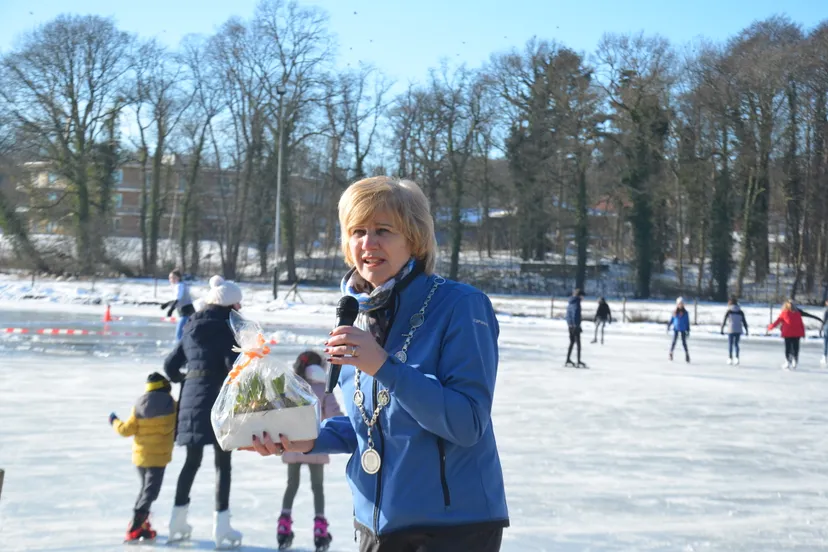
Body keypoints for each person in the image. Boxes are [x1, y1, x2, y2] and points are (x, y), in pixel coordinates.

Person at [249, 176, 509, 552]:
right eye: (357, 231)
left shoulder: (460, 306)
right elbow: (369, 424)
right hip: (377, 523)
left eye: (383, 230)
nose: (368, 244)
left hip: (454, 528)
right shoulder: (356, 314)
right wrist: (309, 437)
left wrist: (385, 366)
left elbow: (468, 423)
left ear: (414, 239)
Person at [163, 275, 244, 548]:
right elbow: (234, 366)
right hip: (219, 402)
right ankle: (221, 527)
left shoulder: (191, 325)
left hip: (191, 399)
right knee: (223, 464)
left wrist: (184, 378)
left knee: (191, 462)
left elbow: (171, 365)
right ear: (231, 305)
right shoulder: (228, 328)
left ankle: (177, 521)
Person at [277, 351, 344, 551]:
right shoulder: (323, 390)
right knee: (317, 487)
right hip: (317, 444)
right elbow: (335, 416)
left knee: (292, 484)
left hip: (292, 445)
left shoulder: (291, 388)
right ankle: (320, 529)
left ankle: (284, 524)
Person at [109, 372, 177, 543]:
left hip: (141, 458)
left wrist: (114, 420)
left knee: (145, 491)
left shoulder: (139, 404)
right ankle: (135, 526)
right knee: (150, 493)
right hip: (158, 458)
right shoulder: (171, 404)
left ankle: (141, 525)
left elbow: (125, 430)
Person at [767, 300, 823, 370]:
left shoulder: (784, 313)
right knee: (795, 347)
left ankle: (788, 361)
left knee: (788, 348)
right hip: (797, 334)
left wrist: (770, 327)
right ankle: (794, 360)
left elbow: (777, 322)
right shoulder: (797, 313)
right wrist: (803, 333)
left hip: (787, 333)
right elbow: (801, 324)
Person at [161, 269, 195, 341]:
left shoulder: (180, 285)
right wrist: (167, 304)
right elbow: (177, 299)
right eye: (170, 278)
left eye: (173, 277)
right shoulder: (179, 285)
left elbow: (178, 298)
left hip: (187, 312)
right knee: (183, 333)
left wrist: (171, 309)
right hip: (186, 312)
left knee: (179, 334)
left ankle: (182, 350)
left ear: (178, 278)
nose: (171, 279)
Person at [720, 297, 749, 365]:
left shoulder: (729, 311)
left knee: (730, 344)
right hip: (738, 329)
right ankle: (737, 358)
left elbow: (724, 320)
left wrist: (722, 329)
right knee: (736, 344)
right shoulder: (740, 311)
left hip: (731, 329)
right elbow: (744, 321)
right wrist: (746, 330)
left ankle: (730, 358)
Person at [565, 289, 587, 367]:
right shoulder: (577, 303)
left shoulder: (571, 302)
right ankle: (578, 361)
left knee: (572, 342)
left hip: (570, 325)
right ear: (580, 296)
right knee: (578, 344)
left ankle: (568, 359)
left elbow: (567, 315)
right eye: (583, 296)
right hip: (575, 326)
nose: (583, 298)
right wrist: (576, 325)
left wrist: (569, 324)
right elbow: (575, 314)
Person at [667, 297, 691, 363]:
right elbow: (672, 319)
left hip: (683, 329)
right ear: (677, 304)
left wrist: (688, 329)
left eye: (682, 304)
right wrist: (669, 325)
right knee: (674, 341)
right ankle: (671, 353)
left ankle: (687, 354)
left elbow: (687, 322)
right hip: (676, 329)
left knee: (684, 342)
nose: (680, 305)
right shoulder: (675, 312)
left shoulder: (685, 313)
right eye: (679, 304)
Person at [821, 300, 828, 366]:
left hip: (827, 327)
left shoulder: (826, 310)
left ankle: (824, 356)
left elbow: (824, 319)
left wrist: (821, 327)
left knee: (826, 342)